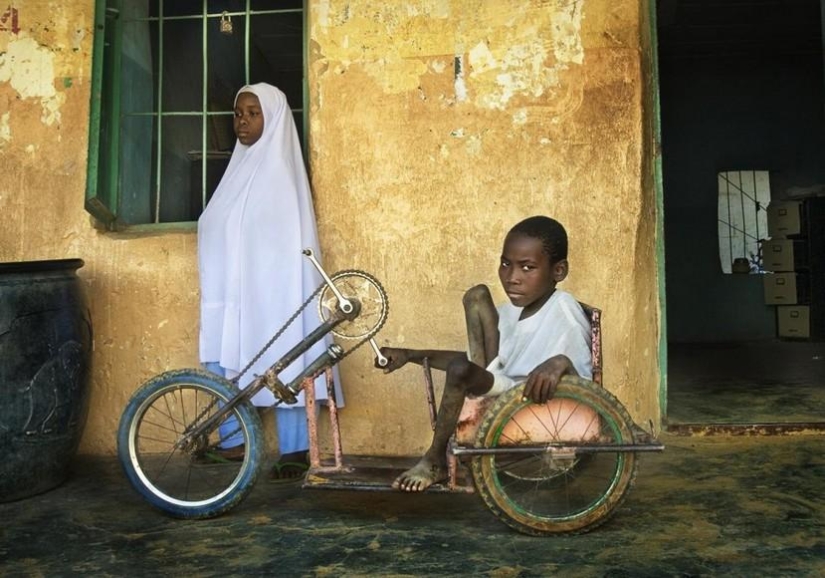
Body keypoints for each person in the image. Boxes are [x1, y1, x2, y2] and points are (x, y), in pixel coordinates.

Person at [378, 216, 592, 492]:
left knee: (460, 370)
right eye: (506, 264)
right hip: (501, 382)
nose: (512, 278)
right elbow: (469, 362)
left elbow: (587, 391)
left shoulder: (563, 311)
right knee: (476, 296)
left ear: (558, 271)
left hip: (520, 397)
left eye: (527, 268)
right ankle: (438, 455)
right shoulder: (513, 309)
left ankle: (435, 459)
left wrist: (561, 362)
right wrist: (410, 354)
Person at [198, 83, 341, 480]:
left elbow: (279, 242)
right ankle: (233, 441)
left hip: (274, 291)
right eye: (238, 113)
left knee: (286, 350)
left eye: (253, 113)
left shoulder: (280, 175)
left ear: (273, 117)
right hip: (233, 293)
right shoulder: (238, 170)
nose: (242, 122)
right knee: (227, 355)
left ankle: (296, 449)